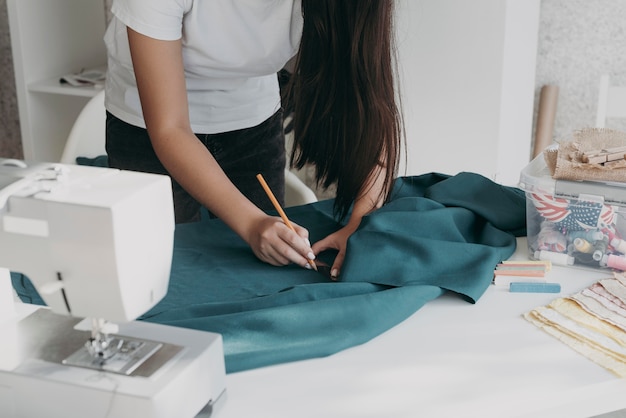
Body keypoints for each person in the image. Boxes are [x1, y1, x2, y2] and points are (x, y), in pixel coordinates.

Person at [103, 0, 403, 279]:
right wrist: (252, 223)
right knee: (162, 274)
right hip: (147, 125)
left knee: (271, 268)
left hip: (251, 122)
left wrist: (362, 224)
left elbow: (369, 100)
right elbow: (170, 129)